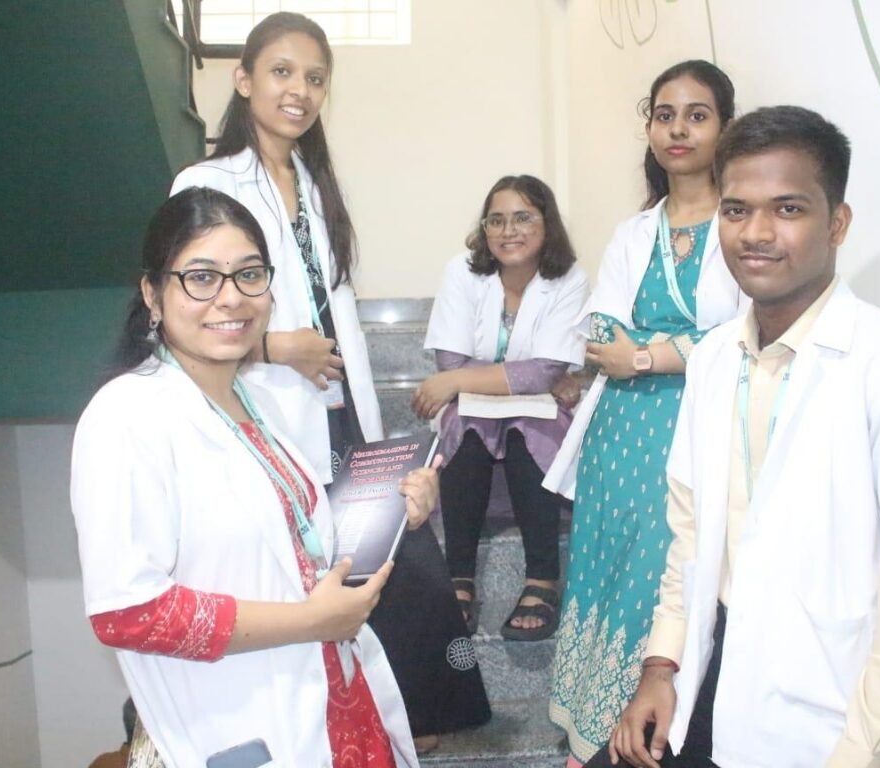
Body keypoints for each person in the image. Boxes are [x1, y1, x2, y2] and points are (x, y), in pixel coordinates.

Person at [596, 106, 880, 768]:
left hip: (836, 727)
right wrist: (660, 666)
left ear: (837, 223)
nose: (756, 234)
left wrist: (861, 754)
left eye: (788, 210)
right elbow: (690, 538)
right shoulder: (715, 358)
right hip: (711, 686)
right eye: (737, 210)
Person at [167, 12, 488, 750]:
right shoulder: (206, 181)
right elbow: (189, 310)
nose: (299, 90)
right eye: (281, 72)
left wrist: (354, 406)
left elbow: (336, 312)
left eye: (315, 78)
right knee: (331, 574)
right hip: (273, 411)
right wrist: (277, 348)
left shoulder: (314, 182)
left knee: (405, 565)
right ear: (243, 80)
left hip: (343, 414)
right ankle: (379, 721)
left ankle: (424, 717)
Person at [70, 187, 441, 767]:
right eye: (201, 277)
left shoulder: (258, 401)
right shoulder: (126, 415)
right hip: (237, 721)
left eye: (249, 274)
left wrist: (394, 507)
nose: (231, 298)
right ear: (153, 294)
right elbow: (128, 611)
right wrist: (309, 622)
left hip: (332, 702)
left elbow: (292, 546)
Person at [542, 60, 746, 765]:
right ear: (650, 127)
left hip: (693, 428)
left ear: (724, 126)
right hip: (618, 434)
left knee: (664, 577)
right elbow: (597, 327)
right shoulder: (636, 231)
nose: (679, 129)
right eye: (665, 114)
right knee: (604, 569)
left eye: (697, 114)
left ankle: (639, 729)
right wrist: (632, 352)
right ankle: (586, 733)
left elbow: (740, 334)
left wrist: (646, 356)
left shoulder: (738, 224)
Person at [415, 175, 589, 642]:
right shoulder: (462, 272)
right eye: (497, 219)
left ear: (547, 225)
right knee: (467, 428)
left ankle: (542, 579)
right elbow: (453, 360)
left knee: (527, 429)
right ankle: (459, 577)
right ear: (485, 229)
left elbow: (543, 373)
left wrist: (456, 380)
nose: (508, 230)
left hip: (533, 411)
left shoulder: (569, 278)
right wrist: (533, 375)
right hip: (474, 408)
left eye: (523, 217)